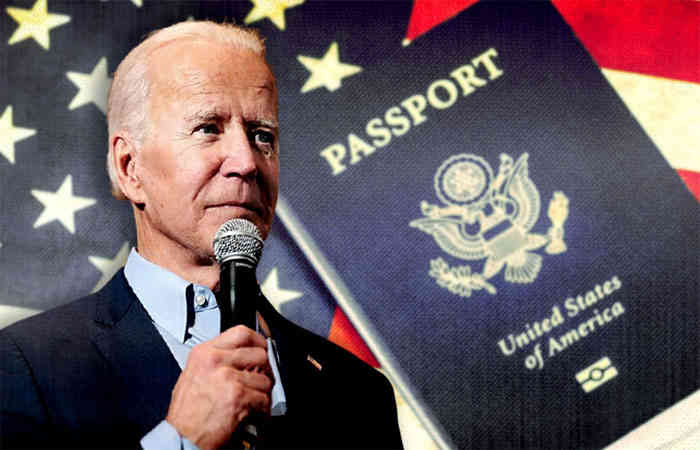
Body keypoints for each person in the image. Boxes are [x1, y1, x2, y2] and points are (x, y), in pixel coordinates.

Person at [0, 21, 403, 450]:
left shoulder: (360, 391)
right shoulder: (23, 367)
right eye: (208, 128)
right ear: (129, 168)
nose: (246, 162)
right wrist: (183, 439)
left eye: (262, 135)